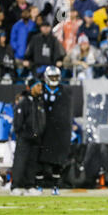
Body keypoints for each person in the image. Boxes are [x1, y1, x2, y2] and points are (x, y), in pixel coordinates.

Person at [36, 66, 72, 196]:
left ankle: (55, 186)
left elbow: (67, 112)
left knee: (58, 160)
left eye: (56, 77)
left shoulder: (64, 91)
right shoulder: (40, 90)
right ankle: (39, 185)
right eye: (52, 77)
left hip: (58, 131)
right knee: (40, 159)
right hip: (43, 129)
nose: (54, 79)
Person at [11, 78, 46, 196]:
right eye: (38, 86)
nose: (40, 88)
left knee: (32, 163)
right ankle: (15, 186)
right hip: (24, 138)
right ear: (31, 87)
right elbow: (18, 122)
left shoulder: (39, 102)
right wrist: (23, 133)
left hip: (36, 138)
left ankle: (29, 186)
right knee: (20, 162)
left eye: (41, 86)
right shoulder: (24, 102)